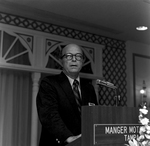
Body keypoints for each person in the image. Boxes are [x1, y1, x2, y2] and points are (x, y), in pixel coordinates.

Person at [36, 44, 98, 146]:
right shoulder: (49, 83)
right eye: (69, 56)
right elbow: (49, 115)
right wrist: (68, 137)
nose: (74, 59)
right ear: (61, 61)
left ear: (82, 61)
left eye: (78, 56)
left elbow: (94, 116)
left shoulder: (89, 88)